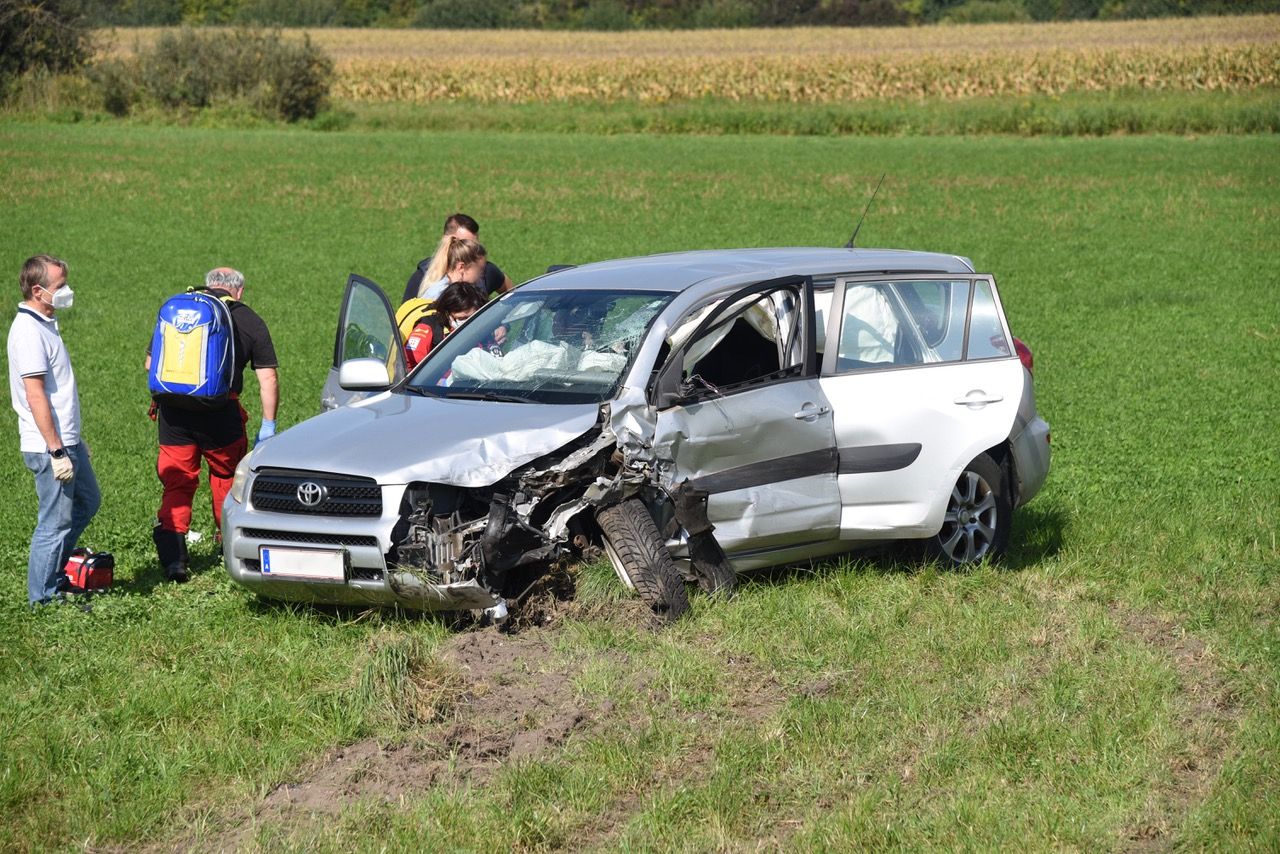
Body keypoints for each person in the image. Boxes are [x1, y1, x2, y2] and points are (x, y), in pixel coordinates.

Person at [146, 268, 278, 583]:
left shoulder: (180, 311)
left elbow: (151, 364)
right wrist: (268, 424)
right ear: (238, 291)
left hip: (174, 414)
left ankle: (174, 560)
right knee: (225, 478)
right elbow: (268, 378)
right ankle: (228, 545)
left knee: (177, 481)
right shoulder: (249, 320)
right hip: (221, 414)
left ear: (208, 285)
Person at [7, 255, 101, 607]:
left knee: (88, 501)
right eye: (60, 286)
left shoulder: (45, 323)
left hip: (66, 440)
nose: (67, 291)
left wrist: (75, 438)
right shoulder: (28, 332)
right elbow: (35, 395)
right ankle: (43, 598)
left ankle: (54, 575)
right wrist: (57, 450)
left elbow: (57, 392)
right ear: (38, 291)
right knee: (54, 522)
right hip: (49, 446)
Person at [402, 213, 515, 303]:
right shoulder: (423, 278)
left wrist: (503, 320)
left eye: (475, 244)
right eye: (464, 243)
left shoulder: (485, 271)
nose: (471, 249)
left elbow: (514, 294)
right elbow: (405, 321)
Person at [405, 281, 489, 369]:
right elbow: (409, 366)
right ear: (447, 313)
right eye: (462, 318)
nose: (469, 322)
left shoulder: (486, 328)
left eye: (474, 317)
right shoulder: (428, 329)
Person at [412, 237, 490, 303]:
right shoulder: (441, 295)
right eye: (481, 270)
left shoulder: (454, 289)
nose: (482, 274)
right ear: (461, 267)